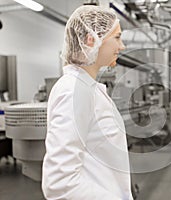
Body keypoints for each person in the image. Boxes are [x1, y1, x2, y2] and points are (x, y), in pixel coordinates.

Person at [42, 5, 133, 200]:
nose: (122, 46)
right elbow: (59, 184)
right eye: (117, 37)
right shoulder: (73, 90)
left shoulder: (87, 88)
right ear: (92, 39)